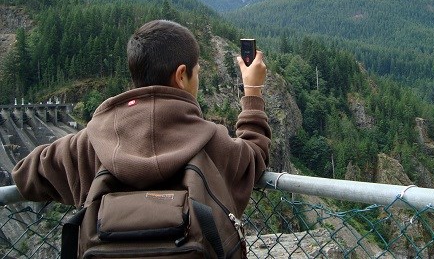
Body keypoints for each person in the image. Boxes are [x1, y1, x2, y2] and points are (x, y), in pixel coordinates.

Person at [11, 19, 271, 221]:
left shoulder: (90, 144)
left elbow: (26, 174)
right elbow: (255, 154)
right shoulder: (212, 142)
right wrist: (252, 91)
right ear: (181, 76)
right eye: (197, 73)